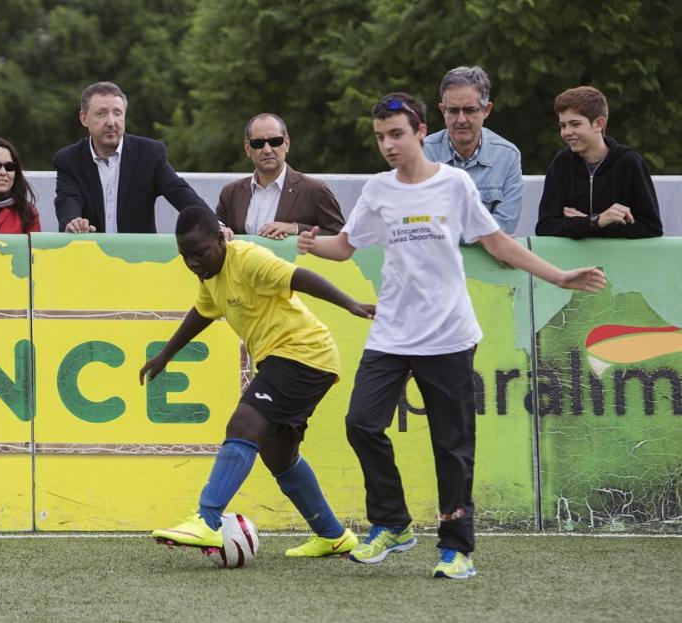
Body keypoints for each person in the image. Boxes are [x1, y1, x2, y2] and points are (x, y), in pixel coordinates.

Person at [298, 93, 607, 579]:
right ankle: (393, 524)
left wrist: (559, 276)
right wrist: (311, 242)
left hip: (448, 336)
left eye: (397, 134)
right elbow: (344, 247)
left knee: (452, 445)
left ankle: (456, 548)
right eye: (381, 137)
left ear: (422, 132)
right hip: (391, 335)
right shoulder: (377, 191)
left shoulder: (455, 184)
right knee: (361, 423)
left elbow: (498, 242)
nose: (388, 145)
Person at [143, 206, 375, 559]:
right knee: (278, 454)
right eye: (185, 256)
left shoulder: (248, 259)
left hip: (303, 354)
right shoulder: (209, 275)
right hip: (285, 360)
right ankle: (334, 536)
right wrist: (166, 355)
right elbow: (203, 312)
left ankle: (207, 519)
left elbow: (299, 277)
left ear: (221, 239)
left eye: (199, 253)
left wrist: (350, 304)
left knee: (244, 423)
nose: (192, 262)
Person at [53, 81, 209, 234]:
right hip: (91, 255)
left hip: (138, 257)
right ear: (84, 118)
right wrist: (73, 222)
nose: (111, 122)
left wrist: (213, 224)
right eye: (101, 114)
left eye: (117, 113)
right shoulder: (68, 160)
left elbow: (179, 192)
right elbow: (68, 200)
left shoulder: (150, 154)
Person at [535, 85, 662, 239]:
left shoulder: (629, 162)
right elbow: (545, 227)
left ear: (599, 124)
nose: (566, 132)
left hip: (621, 261)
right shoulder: (560, 163)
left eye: (575, 124)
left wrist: (591, 223)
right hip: (573, 262)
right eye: (563, 125)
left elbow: (651, 227)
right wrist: (594, 221)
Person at [423, 66, 523, 235]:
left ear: (486, 110)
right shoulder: (422, 153)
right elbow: (419, 225)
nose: (461, 119)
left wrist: (449, 231)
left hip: (485, 261)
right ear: (442, 111)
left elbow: (505, 227)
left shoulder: (507, 156)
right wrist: (480, 232)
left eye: (470, 110)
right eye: (453, 111)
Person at [216, 113, 345, 239]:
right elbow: (215, 229)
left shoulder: (315, 190)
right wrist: (219, 230)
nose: (267, 150)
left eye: (275, 141)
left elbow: (340, 237)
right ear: (247, 148)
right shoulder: (231, 192)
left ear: (287, 144)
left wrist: (295, 229)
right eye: (258, 143)